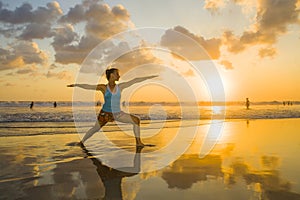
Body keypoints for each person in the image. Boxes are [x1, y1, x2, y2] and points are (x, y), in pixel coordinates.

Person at [67, 68, 157, 147]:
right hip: (105, 114)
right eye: (117, 74)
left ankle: (138, 143)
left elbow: (134, 80)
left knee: (136, 120)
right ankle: (81, 142)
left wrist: (149, 77)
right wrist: (76, 85)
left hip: (118, 114)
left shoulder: (120, 86)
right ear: (111, 75)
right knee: (95, 129)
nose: (119, 76)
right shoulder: (103, 87)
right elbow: (89, 86)